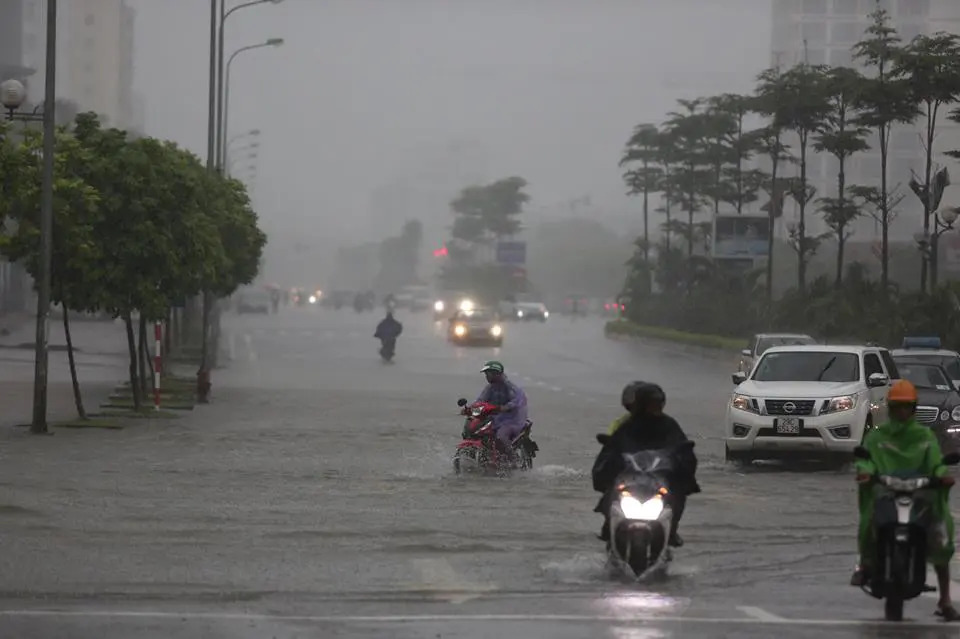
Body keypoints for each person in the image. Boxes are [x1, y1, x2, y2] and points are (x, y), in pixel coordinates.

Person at [850, 379, 958, 620]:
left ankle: (945, 600)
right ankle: (865, 564)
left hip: (920, 493)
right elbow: (866, 458)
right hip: (885, 491)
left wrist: (943, 476)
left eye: (906, 407)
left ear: (913, 408)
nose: (901, 412)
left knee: (940, 534)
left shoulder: (924, 436)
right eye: (897, 406)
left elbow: (936, 463)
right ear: (890, 407)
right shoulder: (878, 436)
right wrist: (865, 471)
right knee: (869, 522)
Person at [592, 382, 700, 547]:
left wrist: (681, 463)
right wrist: (608, 467)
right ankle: (608, 527)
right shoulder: (627, 426)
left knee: (677, 496)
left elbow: (683, 449)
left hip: (659, 479)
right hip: (631, 478)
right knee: (611, 494)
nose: (654, 407)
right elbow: (611, 450)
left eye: (657, 403)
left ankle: (671, 531)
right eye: (650, 403)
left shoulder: (669, 425)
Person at [475, 361, 528, 458]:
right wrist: (470, 409)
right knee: (477, 432)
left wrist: (506, 407)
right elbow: (480, 400)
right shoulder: (490, 388)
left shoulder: (509, 387)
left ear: (497, 373)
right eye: (486, 374)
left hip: (511, 421)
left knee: (500, 437)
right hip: (495, 420)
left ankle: (513, 458)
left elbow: (518, 400)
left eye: (489, 374)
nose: (487, 377)